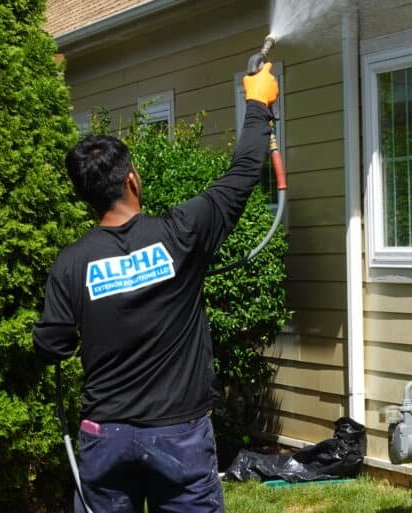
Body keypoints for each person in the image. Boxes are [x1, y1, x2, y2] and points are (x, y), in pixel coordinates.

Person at [32, 63, 279, 513]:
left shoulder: (71, 263)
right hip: (179, 437)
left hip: (104, 438)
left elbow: (51, 345)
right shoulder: (181, 233)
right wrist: (258, 104)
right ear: (131, 179)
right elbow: (243, 173)